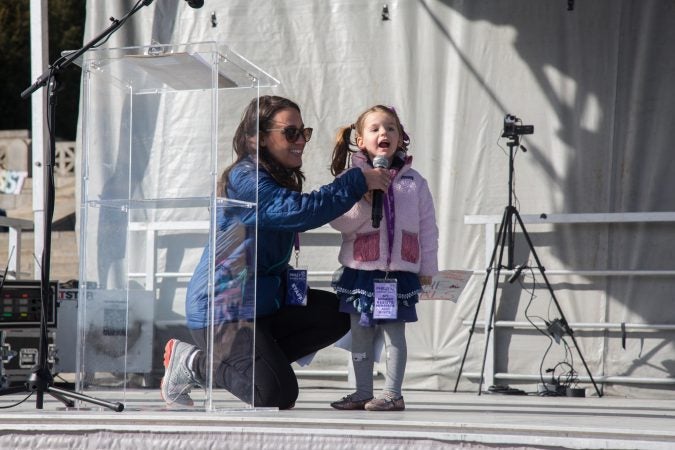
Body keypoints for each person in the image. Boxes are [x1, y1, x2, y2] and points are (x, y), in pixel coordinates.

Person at [160, 96, 391, 410]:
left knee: (339, 313)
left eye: (303, 132)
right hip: (224, 313)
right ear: (258, 138)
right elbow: (301, 211)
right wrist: (355, 181)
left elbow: (307, 210)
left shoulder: (273, 177)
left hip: (263, 307)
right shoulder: (245, 179)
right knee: (276, 395)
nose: (301, 141)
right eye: (290, 133)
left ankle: (257, 365)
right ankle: (194, 362)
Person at [328, 105, 439, 411]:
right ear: (361, 140)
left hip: (398, 273)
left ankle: (392, 393)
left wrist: (428, 269)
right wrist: (364, 198)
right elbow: (339, 221)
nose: (384, 133)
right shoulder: (352, 177)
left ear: (401, 137)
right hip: (361, 269)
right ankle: (363, 391)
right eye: (375, 129)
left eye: (390, 128)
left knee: (394, 334)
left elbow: (428, 227)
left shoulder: (413, 181)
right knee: (361, 333)